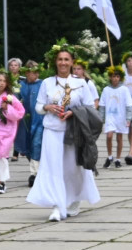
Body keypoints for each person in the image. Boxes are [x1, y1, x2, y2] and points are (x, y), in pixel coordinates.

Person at [27, 46, 101, 222]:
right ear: (55, 61)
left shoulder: (80, 83)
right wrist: (48, 107)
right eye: (60, 59)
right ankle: (57, 206)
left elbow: (90, 107)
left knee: (72, 167)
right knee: (53, 169)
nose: (63, 62)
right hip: (52, 131)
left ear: (72, 62)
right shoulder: (47, 83)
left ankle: (74, 199)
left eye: (66, 59)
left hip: (73, 131)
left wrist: (74, 112)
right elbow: (38, 107)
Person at [14, 60, 44, 187]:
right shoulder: (21, 85)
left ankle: (34, 173)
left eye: (35, 73)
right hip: (25, 120)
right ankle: (36, 166)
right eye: (29, 72)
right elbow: (14, 98)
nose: (32, 75)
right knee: (25, 145)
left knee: (36, 143)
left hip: (39, 119)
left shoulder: (43, 84)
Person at [99, 64, 132, 168]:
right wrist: (101, 119)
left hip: (120, 117)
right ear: (110, 77)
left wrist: (128, 118)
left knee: (119, 137)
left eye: (117, 76)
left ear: (120, 78)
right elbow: (102, 105)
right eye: (113, 76)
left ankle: (118, 158)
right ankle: (110, 156)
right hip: (110, 117)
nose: (115, 78)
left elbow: (128, 105)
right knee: (109, 136)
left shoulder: (124, 89)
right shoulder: (106, 90)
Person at [7, 58, 23, 160]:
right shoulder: (5, 79)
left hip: (18, 107)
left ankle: (15, 153)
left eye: (15, 65)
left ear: (19, 67)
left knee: (16, 130)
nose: (13, 67)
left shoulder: (23, 79)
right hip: (7, 106)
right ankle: (5, 151)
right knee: (7, 130)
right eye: (11, 65)